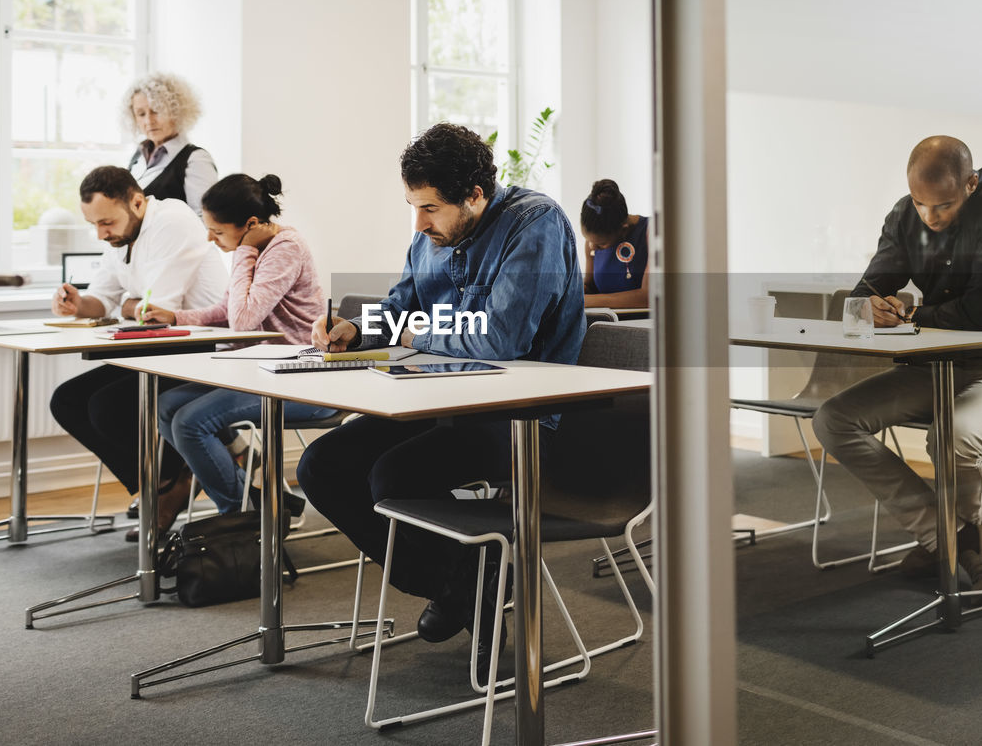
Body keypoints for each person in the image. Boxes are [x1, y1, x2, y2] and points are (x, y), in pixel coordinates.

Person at [298, 122, 585, 665]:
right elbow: (400, 306)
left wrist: (416, 334)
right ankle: (468, 582)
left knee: (393, 476)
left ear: (474, 196)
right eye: (412, 205)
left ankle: (464, 585)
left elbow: (502, 340)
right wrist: (357, 329)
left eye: (429, 208)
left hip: (523, 417)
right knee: (321, 465)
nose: (418, 221)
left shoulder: (535, 223)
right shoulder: (429, 233)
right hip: (439, 403)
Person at [812, 135, 982, 591]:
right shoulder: (905, 215)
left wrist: (909, 313)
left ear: (972, 184)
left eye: (943, 205)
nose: (930, 217)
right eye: (920, 203)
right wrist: (868, 308)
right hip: (942, 369)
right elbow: (863, 295)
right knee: (833, 419)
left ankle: (951, 541)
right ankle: (957, 538)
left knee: (953, 434)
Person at [48, 166, 228, 539]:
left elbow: (152, 309)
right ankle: (168, 480)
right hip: (159, 349)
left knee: (106, 407)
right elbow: (106, 300)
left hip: (204, 349)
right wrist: (78, 304)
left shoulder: (172, 222)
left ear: (137, 201)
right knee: (67, 401)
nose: (101, 233)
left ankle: (174, 480)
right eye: (94, 225)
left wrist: (127, 307)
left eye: (106, 223)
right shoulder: (120, 236)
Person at [141, 173, 336, 517]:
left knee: (189, 422)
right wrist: (174, 316)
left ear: (249, 224)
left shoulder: (284, 248)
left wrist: (244, 252)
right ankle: (254, 500)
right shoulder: (251, 250)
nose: (210, 238)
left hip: (301, 380)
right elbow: (227, 310)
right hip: (261, 373)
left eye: (217, 231)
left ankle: (241, 516)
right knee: (167, 405)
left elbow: (243, 321)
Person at [123, 72, 218, 215]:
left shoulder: (196, 160)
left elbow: (205, 220)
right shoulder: (138, 155)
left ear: (176, 111)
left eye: (156, 111)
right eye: (141, 114)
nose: (149, 121)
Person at [580, 179, 649, 309]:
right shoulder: (593, 241)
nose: (591, 247)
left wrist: (582, 301)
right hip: (604, 322)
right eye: (588, 240)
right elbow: (590, 288)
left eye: (601, 244)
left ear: (623, 230)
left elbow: (647, 297)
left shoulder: (651, 232)